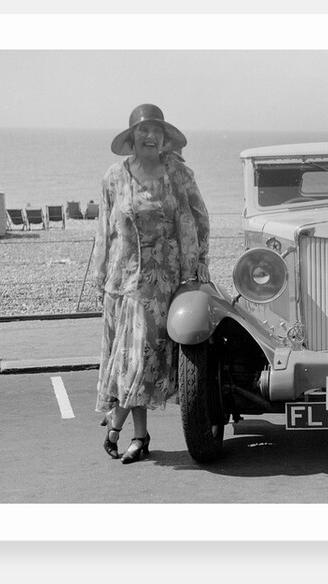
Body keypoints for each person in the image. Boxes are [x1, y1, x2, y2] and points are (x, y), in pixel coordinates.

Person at [93, 103, 210, 464]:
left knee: (143, 359)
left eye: (156, 131)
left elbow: (199, 220)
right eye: (143, 131)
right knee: (129, 361)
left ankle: (116, 420)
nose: (150, 136)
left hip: (163, 284)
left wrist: (198, 266)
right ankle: (139, 437)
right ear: (132, 138)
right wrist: (100, 277)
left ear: (164, 138)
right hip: (121, 282)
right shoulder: (114, 177)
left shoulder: (178, 174)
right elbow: (104, 231)